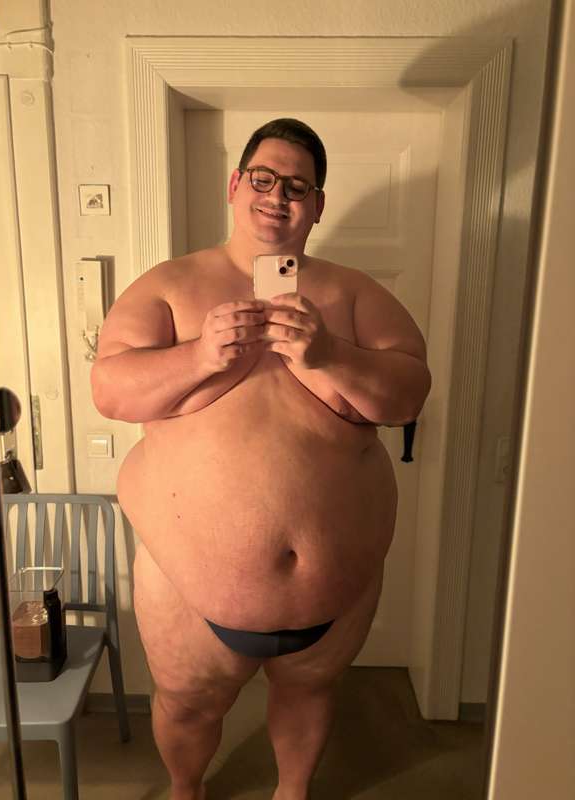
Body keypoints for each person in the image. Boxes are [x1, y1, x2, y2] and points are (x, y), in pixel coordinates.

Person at [91, 118, 431, 800]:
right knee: (187, 705)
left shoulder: (355, 295)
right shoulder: (170, 285)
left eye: (298, 186)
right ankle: (186, 790)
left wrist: (329, 355)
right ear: (235, 185)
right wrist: (199, 356)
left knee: (309, 692)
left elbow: (410, 391)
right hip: (188, 591)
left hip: (335, 594)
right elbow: (110, 389)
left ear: (318, 205)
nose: (278, 196)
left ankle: (292, 793)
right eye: (264, 178)